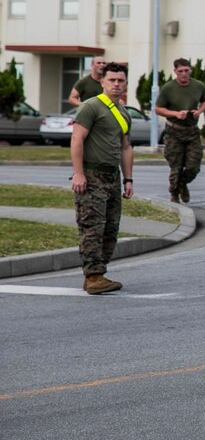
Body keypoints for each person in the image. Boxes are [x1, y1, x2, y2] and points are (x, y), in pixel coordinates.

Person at [70, 62, 134, 294]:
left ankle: (99, 272)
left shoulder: (123, 111)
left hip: (112, 176)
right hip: (91, 174)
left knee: (111, 228)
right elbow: (77, 139)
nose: (116, 84)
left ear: (125, 84)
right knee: (92, 227)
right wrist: (78, 173)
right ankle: (93, 276)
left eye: (120, 81)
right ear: (102, 82)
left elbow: (125, 147)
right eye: (112, 80)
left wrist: (128, 179)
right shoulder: (91, 106)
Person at [154, 58, 205, 203]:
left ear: (190, 70)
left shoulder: (198, 85)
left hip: (192, 131)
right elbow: (158, 109)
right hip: (174, 131)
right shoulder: (168, 88)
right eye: (180, 71)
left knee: (193, 166)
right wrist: (175, 114)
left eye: (186, 70)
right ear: (175, 71)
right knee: (176, 166)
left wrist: (199, 111)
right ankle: (174, 193)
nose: (184, 74)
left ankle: (183, 184)